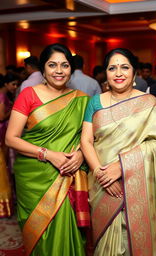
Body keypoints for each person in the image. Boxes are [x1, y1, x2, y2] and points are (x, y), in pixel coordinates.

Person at [81, 48, 156, 256]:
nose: (118, 73)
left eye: (124, 67)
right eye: (112, 68)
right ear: (106, 73)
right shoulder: (95, 102)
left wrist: (122, 166)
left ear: (134, 72)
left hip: (137, 183)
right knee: (104, 244)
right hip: (102, 183)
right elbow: (86, 140)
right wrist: (102, 174)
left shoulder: (149, 104)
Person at [5, 43, 90, 256]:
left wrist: (80, 155)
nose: (59, 71)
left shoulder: (81, 99)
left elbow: (90, 138)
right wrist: (49, 154)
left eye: (64, 65)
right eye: (52, 65)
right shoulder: (28, 95)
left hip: (68, 175)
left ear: (71, 69)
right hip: (35, 176)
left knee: (68, 231)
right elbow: (11, 138)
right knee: (40, 237)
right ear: (43, 69)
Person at [0, 73, 18, 218]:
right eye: (13, 84)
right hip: (2, 130)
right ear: (5, 84)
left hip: (5, 129)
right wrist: (13, 109)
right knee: (3, 165)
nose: (15, 87)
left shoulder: (5, 96)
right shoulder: (1, 96)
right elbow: (1, 117)